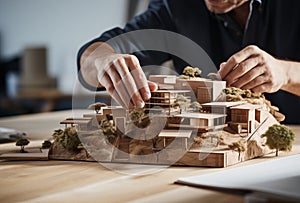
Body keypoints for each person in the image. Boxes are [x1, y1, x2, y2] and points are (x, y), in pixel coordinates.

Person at [77, 0, 300, 124]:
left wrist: (287, 73)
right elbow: (93, 55)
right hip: (210, 159)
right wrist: (102, 62)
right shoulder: (176, 7)